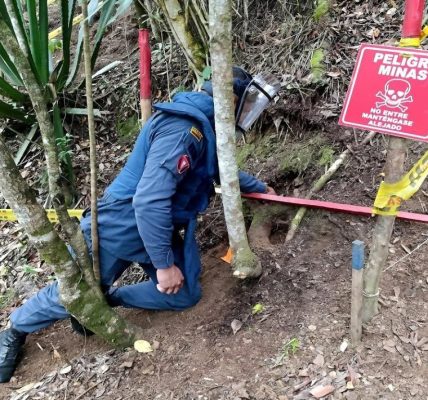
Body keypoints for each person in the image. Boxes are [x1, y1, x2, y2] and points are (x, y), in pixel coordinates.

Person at [0, 67, 280, 382]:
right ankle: (15, 329)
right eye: (247, 102)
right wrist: (164, 265)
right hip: (120, 225)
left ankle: (108, 299)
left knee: (185, 294)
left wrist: (258, 188)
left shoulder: (204, 127)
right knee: (74, 291)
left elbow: (217, 169)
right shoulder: (183, 130)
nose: (249, 111)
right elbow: (148, 201)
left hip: (156, 226)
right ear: (230, 99)